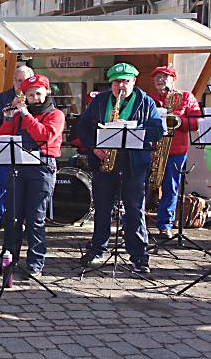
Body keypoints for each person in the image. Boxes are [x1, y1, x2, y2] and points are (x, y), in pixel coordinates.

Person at [77, 63, 163, 274]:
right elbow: (83, 126)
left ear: (134, 81)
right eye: (117, 81)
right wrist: (94, 147)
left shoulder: (146, 102)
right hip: (104, 162)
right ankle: (97, 249)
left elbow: (157, 130)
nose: (121, 85)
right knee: (103, 208)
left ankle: (139, 256)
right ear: (111, 83)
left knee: (134, 209)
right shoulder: (100, 100)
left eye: (125, 81)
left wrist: (133, 129)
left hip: (134, 163)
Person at [0, 74, 65, 279]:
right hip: (19, 166)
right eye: (30, 94)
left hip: (42, 168)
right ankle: (9, 258)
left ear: (47, 93)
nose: (35, 97)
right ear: (24, 95)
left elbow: (44, 136)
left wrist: (25, 114)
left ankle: (35, 263)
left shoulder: (56, 115)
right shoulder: (19, 114)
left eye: (38, 93)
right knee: (13, 216)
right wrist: (9, 118)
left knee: (35, 218)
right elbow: (4, 136)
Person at [146, 65, 200, 239]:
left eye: (164, 77)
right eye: (157, 77)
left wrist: (177, 120)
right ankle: (132, 222)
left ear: (173, 80)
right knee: (141, 186)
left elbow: (196, 122)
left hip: (176, 150)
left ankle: (165, 224)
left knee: (171, 188)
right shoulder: (149, 98)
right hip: (151, 148)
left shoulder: (185, 97)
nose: (160, 80)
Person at [0, 65, 34, 229]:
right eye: (17, 80)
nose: (20, 84)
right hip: (7, 142)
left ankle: (21, 218)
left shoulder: (35, 96)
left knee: (25, 183)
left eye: (24, 81)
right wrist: (10, 107)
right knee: (2, 180)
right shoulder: (5, 96)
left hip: (28, 144)